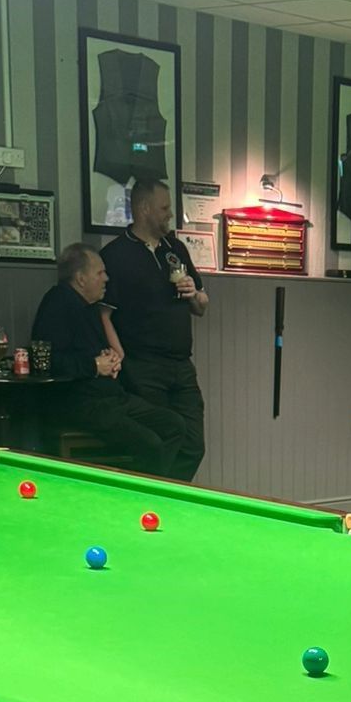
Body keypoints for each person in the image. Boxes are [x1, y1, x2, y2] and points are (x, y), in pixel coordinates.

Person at [30, 244, 184, 477]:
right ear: (81, 278)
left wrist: (110, 360)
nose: (107, 278)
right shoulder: (57, 303)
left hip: (112, 396)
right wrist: (94, 366)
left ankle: (152, 483)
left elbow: (95, 351)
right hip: (80, 402)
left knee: (174, 425)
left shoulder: (91, 307)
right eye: (100, 273)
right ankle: (135, 490)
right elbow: (48, 362)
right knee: (150, 444)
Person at [99, 181, 208, 482]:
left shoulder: (176, 249)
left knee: (193, 445)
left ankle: (167, 497)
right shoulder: (116, 255)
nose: (170, 214)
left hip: (182, 364)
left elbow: (201, 306)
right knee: (159, 442)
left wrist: (194, 294)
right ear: (144, 209)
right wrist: (120, 355)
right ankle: (150, 501)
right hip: (143, 366)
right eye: (164, 208)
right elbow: (103, 314)